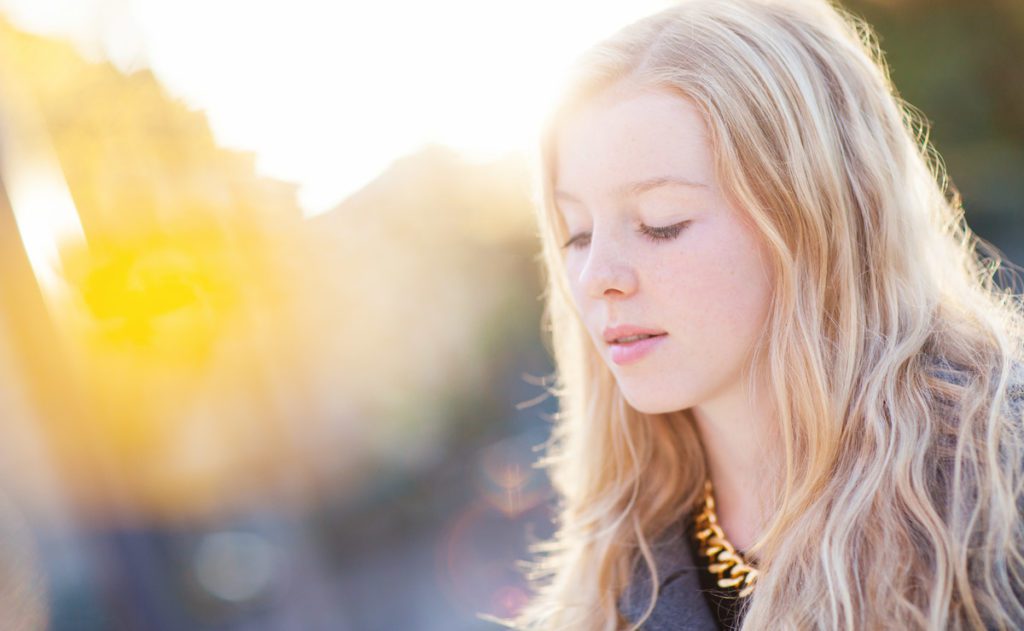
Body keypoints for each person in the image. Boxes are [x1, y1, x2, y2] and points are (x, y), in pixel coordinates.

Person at [484, 0, 1024, 629]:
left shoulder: (1000, 494)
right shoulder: (605, 578)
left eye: (662, 223)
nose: (596, 276)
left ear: (814, 215)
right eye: (577, 232)